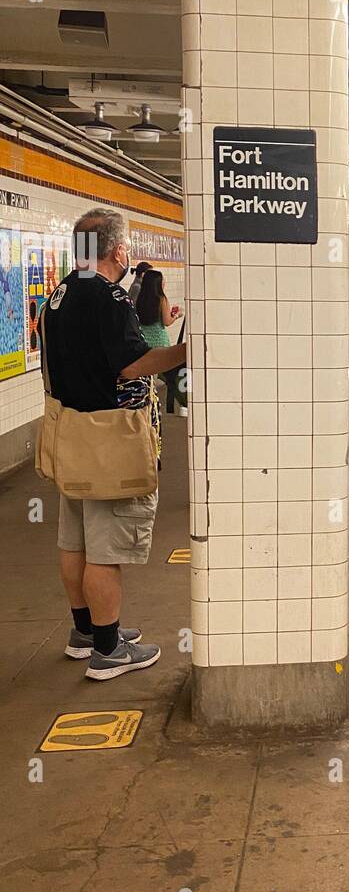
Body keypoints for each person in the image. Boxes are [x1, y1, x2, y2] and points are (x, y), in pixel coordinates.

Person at [42, 208, 187, 681]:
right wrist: (190, 350)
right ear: (119, 250)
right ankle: (108, 650)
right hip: (109, 440)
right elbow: (130, 365)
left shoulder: (59, 294)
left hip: (71, 436)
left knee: (75, 542)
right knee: (106, 550)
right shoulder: (108, 298)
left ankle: (85, 632)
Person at [135, 269, 186, 410]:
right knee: (163, 377)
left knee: (147, 377)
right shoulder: (161, 299)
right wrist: (177, 315)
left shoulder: (140, 298)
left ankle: (144, 403)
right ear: (158, 282)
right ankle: (157, 406)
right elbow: (167, 321)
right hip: (160, 343)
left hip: (144, 342)